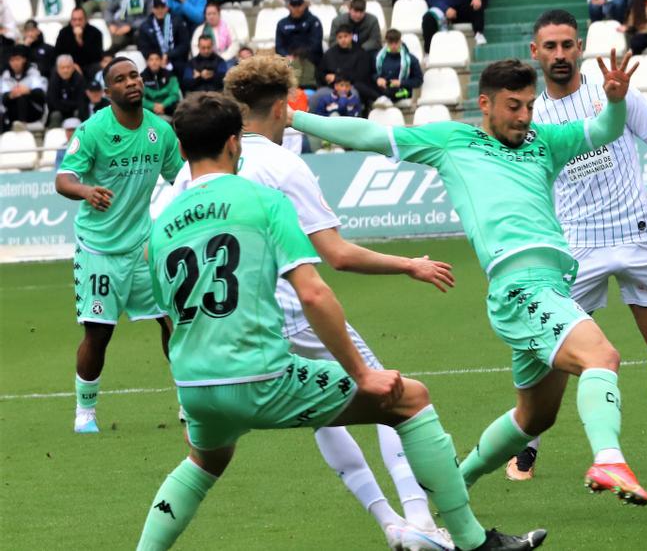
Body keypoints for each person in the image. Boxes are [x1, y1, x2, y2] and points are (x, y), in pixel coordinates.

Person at [137, 91, 547, 551]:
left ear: (182, 148)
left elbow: (167, 313)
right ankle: (472, 542)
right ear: (234, 143)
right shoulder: (263, 200)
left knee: (202, 463)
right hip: (262, 377)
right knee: (408, 398)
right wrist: (361, 374)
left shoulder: (161, 222)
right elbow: (313, 291)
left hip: (194, 386)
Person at [291, 52, 647, 506]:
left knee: (534, 417)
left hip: (551, 287)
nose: (523, 116)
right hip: (520, 286)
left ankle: (454, 487)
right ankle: (608, 458)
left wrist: (615, 100)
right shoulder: (452, 141)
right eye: (512, 106)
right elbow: (370, 134)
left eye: (527, 105)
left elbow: (604, 130)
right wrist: (294, 117)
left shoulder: (545, 140)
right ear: (485, 103)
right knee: (601, 356)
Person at [505, 10, 647, 481]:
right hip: (574, 247)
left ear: (580, 45)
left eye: (568, 45)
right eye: (550, 47)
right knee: (552, 344)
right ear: (535, 52)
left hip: (637, 232)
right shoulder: (531, 116)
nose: (561, 55)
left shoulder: (615, 92)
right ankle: (527, 445)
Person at [54, 57, 183, 434]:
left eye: (135, 76)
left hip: (144, 243)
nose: (132, 83)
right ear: (108, 92)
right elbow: (63, 179)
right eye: (121, 79)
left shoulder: (161, 130)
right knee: (99, 333)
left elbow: (182, 178)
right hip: (99, 249)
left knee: (173, 318)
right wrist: (85, 190)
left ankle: (187, 399)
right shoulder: (93, 130)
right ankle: (85, 412)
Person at [317, 24, 377, 108]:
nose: (343, 40)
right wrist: (326, 77)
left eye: (345, 36)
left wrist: (337, 78)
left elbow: (362, 76)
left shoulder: (360, 53)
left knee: (352, 95)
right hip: (332, 88)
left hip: (352, 87)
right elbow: (320, 72)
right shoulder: (330, 53)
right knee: (316, 96)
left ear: (351, 36)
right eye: (340, 37)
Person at [0, 45, 47, 130]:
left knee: (22, 98)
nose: (15, 63)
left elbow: (41, 95)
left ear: (24, 60)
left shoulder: (33, 73)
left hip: (32, 110)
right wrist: (11, 95)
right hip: (12, 110)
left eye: (17, 59)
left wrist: (28, 91)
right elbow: (3, 97)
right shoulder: (5, 76)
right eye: (12, 60)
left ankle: (22, 125)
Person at [375, 29, 423, 104]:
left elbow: (418, 80)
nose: (394, 46)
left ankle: (384, 100)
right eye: (391, 43)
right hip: (384, 87)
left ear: (400, 41)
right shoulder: (379, 57)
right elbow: (372, 73)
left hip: (403, 90)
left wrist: (401, 82)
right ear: (386, 42)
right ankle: (383, 99)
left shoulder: (411, 59)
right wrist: (378, 79)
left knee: (390, 92)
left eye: (396, 43)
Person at [276, 0, 324, 67]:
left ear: (304, 5)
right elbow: (279, 47)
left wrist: (299, 57)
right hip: (289, 61)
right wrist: (287, 56)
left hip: (310, 60)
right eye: (293, 6)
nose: (296, 8)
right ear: (289, 6)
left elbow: (316, 45)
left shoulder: (314, 21)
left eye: (299, 5)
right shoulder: (282, 24)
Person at [55, 8, 105, 76]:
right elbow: (58, 53)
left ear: (85, 20)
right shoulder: (64, 33)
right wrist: (72, 64)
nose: (77, 23)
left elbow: (97, 56)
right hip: (70, 65)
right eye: (74, 20)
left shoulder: (95, 33)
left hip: (90, 65)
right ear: (71, 21)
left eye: (80, 19)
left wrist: (80, 40)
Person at [47, 54, 88, 126]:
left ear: (73, 68)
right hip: (58, 111)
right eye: (62, 68)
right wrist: (69, 105)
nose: (65, 70)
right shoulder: (53, 80)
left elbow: (81, 101)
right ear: (57, 69)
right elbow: (52, 102)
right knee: (55, 115)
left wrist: (63, 103)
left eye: (68, 67)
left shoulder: (79, 79)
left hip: (75, 111)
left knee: (80, 113)